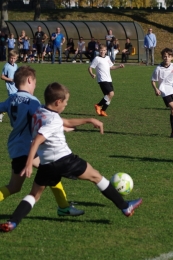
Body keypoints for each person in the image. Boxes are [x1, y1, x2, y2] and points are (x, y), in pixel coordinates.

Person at [0, 81, 142, 232]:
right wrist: (29, 163)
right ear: (58, 102)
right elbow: (37, 139)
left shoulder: (40, 111)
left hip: (47, 164)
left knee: (34, 195)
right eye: (65, 102)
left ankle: (12, 222)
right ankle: (125, 207)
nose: (66, 105)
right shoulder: (53, 120)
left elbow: (65, 121)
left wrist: (89, 120)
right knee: (96, 176)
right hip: (65, 160)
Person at [0, 66, 84, 228]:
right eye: (35, 83)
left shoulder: (11, 99)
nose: (35, 86)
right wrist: (63, 126)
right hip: (30, 147)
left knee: (15, 186)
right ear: (30, 80)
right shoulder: (33, 102)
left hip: (15, 147)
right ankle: (64, 207)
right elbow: (45, 118)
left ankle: (64, 207)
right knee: (52, 169)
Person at [88, 44, 125, 117]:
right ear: (99, 51)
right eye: (101, 50)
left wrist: (119, 66)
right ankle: (98, 105)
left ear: (106, 51)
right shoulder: (97, 58)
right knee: (111, 94)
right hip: (102, 80)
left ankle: (103, 111)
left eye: (104, 50)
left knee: (109, 96)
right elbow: (90, 67)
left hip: (109, 79)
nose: (102, 51)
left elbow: (111, 67)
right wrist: (92, 74)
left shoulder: (107, 58)